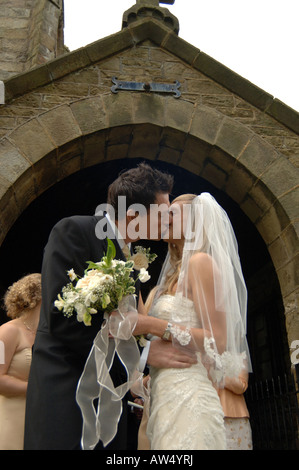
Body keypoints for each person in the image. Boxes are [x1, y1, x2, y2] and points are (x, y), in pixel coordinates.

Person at [24, 163, 197, 451]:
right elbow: (61, 318)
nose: (168, 219)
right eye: (163, 212)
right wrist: (144, 357)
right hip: (67, 395)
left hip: (110, 404)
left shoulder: (132, 263)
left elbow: (127, 325)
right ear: (133, 215)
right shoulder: (74, 231)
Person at [132, 193, 252, 450]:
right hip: (165, 396)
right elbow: (140, 324)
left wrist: (153, 326)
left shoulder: (201, 263)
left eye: (172, 213)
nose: (165, 218)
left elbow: (217, 340)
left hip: (189, 395)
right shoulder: (172, 277)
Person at [0, 273, 41, 450]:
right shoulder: (6, 332)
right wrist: (36, 388)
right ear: (36, 298)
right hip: (10, 417)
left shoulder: (47, 335)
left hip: (38, 418)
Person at [218, 369, 253, 450]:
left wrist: (220, 376)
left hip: (234, 418)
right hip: (206, 416)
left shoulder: (239, 356)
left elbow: (242, 386)